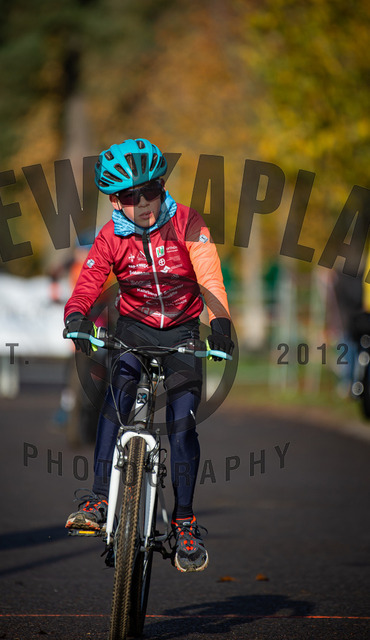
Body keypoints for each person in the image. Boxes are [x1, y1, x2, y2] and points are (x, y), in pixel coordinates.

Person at [64, 138, 234, 572]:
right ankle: (99, 499)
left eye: (150, 191)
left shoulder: (188, 222)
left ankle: (185, 522)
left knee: (182, 425)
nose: (141, 203)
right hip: (133, 330)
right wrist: (77, 315)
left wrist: (220, 323)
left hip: (182, 332)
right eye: (128, 196)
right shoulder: (110, 237)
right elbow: (89, 282)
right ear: (114, 201)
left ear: (162, 187)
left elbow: (209, 275)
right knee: (115, 401)